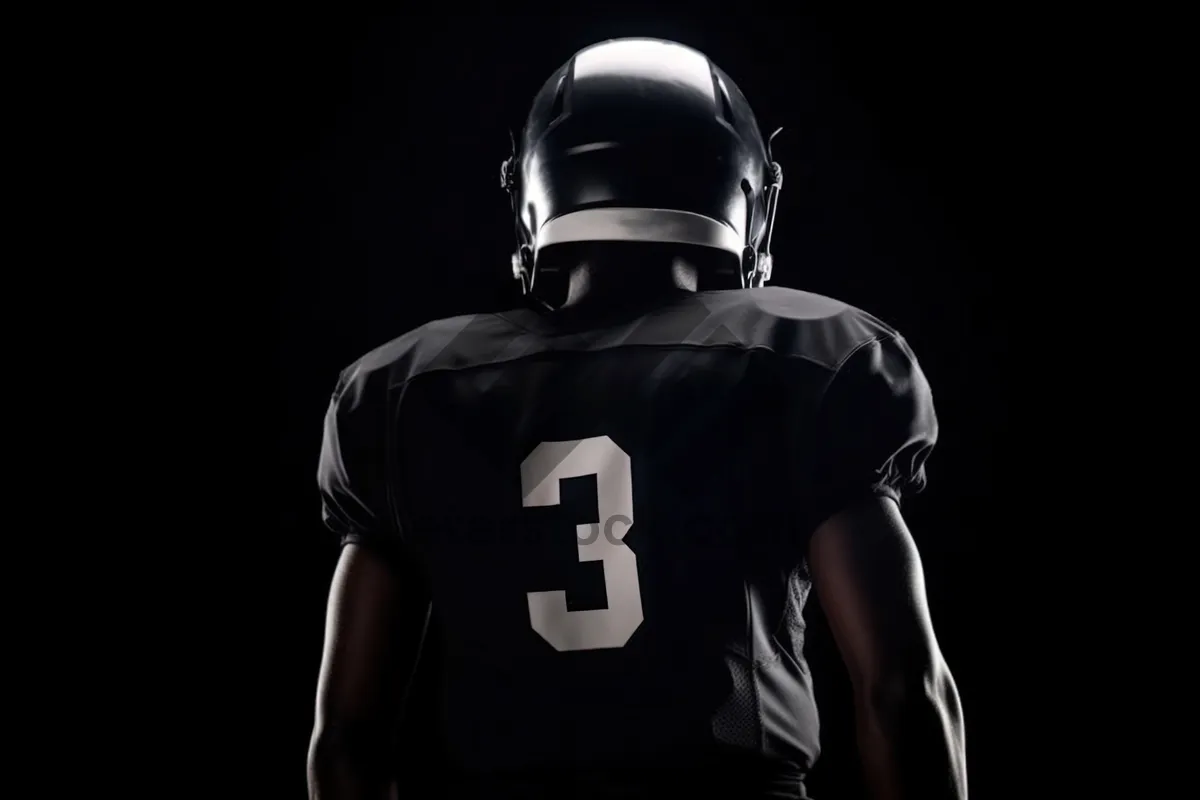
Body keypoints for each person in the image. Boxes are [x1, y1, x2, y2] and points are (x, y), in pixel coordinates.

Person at [307, 37, 967, 800]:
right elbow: (899, 688)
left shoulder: (401, 390)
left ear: (533, 193)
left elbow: (348, 735)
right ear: (747, 195)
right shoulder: (806, 358)